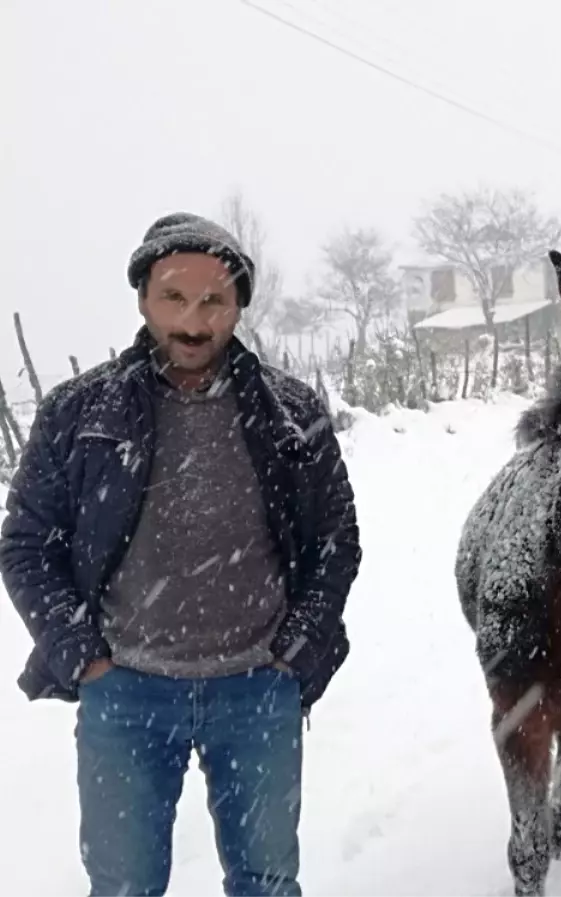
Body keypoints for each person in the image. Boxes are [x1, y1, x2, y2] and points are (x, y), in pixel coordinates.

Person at [0, 212, 361, 897]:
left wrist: (299, 649)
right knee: (125, 885)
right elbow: (26, 543)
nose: (193, 321)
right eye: (174, 297)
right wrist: (82, 655)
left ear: (238, 307)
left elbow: (337, 541)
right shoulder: (80, 413)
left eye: (213, 301)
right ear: (142, 297)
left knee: (267, 881)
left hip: (258, 687)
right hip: (126, 691)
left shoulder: (290, 412)